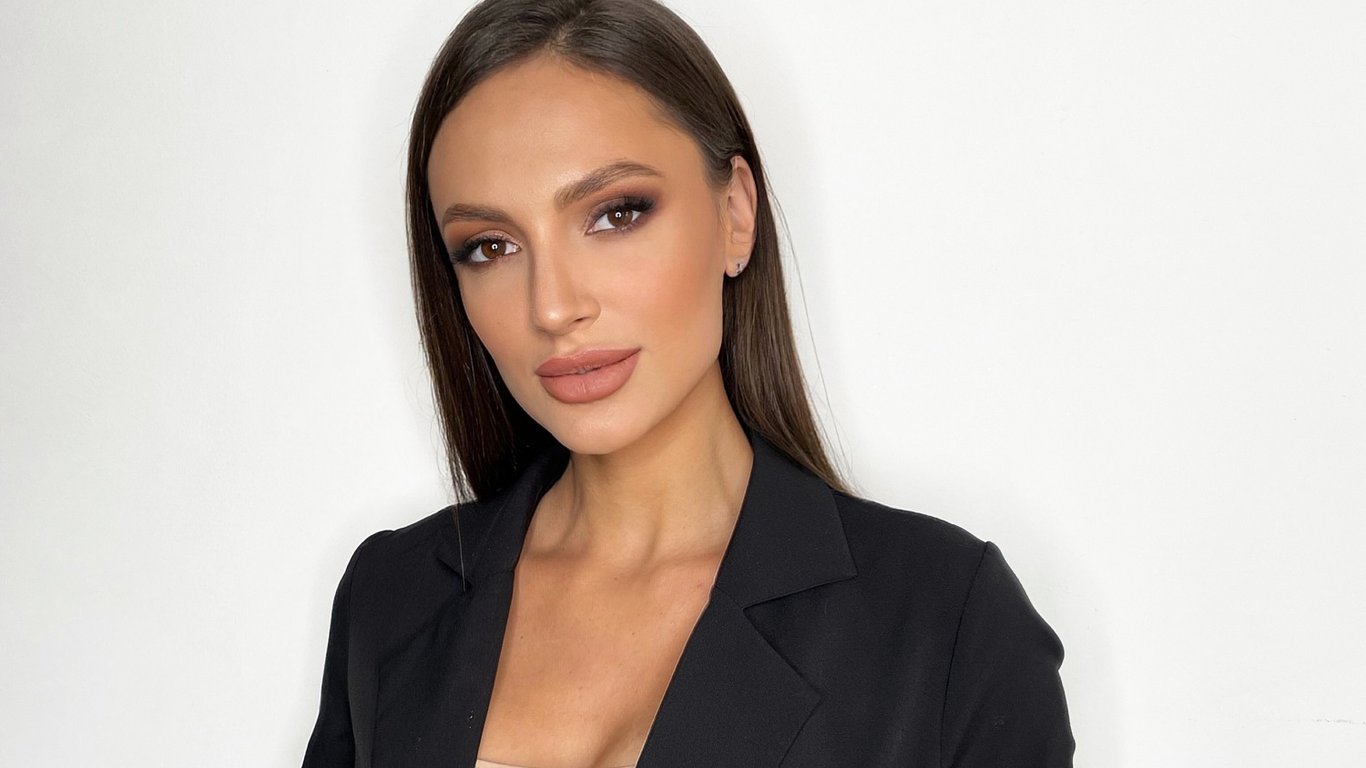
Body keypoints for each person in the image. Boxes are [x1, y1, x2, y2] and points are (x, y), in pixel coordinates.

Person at [302, 0, 1074, 766]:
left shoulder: (945, 625)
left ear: (735, 214)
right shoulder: (391, 597)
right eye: (491, 247)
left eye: (616, 214)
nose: (554, 306)